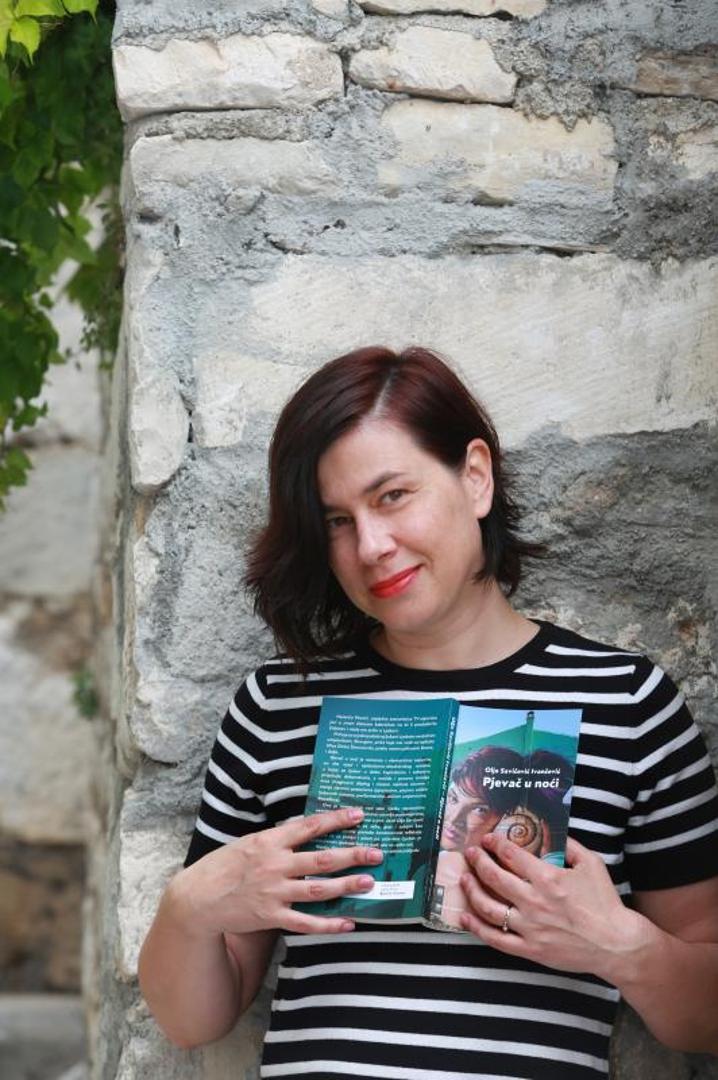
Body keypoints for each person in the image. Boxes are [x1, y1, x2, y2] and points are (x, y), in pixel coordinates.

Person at [138, 345, 718, 1078]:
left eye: (391, 496)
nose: (371, 546)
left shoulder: (625, 704)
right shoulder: (277, 709)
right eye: (337, 521)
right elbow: (192, 1020)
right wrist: (190, 904)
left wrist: (621, 948)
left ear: (475, 477)